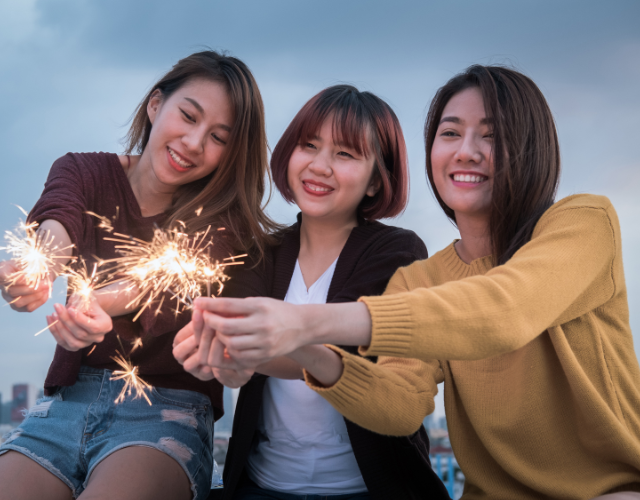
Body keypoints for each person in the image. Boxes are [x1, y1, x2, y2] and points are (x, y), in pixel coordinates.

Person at [187, 66, 640, 500]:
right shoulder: (420, 279)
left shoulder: (584, 222)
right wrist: (311, 353)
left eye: (490, 135)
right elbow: (400, 405)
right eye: (450, 133)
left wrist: (301, 323)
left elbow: (503, 310)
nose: (466, 151)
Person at [0, 51, 276, 500]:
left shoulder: (223, 219)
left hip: (167, 411)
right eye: (187, 116)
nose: (193, 142)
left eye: (217, 137)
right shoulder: (81, 170)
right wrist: (38, 268)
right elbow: (59, 223)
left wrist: (96, 302)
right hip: (67, 403)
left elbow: (166, 282)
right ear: (156, 105)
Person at [174, 85, 450, 499]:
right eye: (309, 145)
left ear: (377, 180)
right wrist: (222, 358)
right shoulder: (259, 251)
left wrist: (247, 348)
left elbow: (341, 349)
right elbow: (234, 335)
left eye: (345, 154)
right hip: (261, 486)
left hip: (369, 488)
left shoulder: (397, 251)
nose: (320, 166)